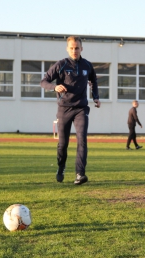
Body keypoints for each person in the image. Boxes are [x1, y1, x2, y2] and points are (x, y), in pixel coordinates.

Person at [40, 36, 101, 185]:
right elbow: (44, 81)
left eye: (77, 48)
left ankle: (80, 174)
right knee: (63, 143)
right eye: (72, 48)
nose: (74, 50)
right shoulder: (61, 65)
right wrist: (54, 87)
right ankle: (61, 167)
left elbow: (93, 80)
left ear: (81, 48)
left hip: (81, 108)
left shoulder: (87, 65)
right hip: (64, 109)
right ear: (67, 49)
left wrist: (96, 97)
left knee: (82, 140)